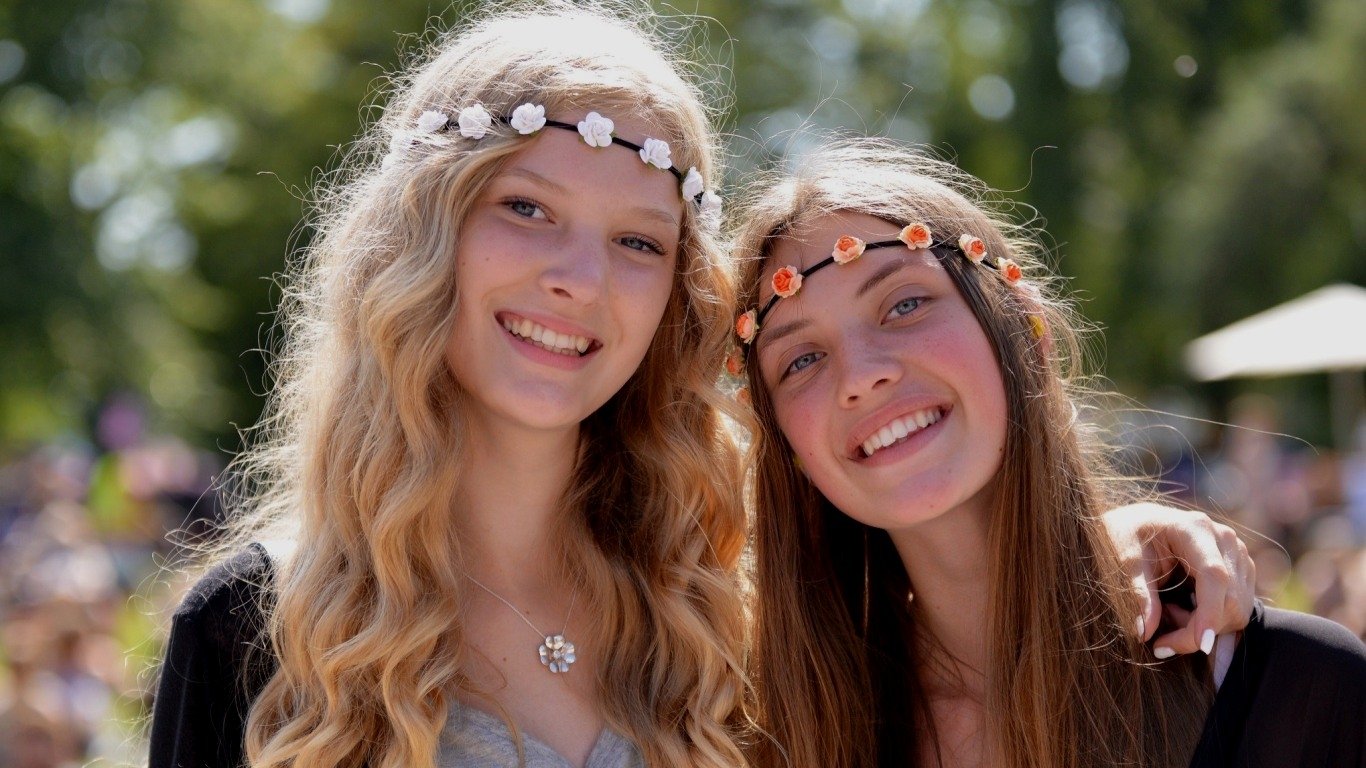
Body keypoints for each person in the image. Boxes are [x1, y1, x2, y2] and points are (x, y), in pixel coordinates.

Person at [149, 6, 1259, 768]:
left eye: (638, 242)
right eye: (526, 209)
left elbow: (968, 596)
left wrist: (1120, 534)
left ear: (675, 299)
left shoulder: (722, 608)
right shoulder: (259, 627)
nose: (578, 280)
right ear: (418, 242)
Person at [731, 139, 1366, 768]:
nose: (859, 376)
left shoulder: (1295, 692)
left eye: (904, 304)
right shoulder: (754, 734)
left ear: (1026, 331)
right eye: (802, 359)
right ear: (782, 440)